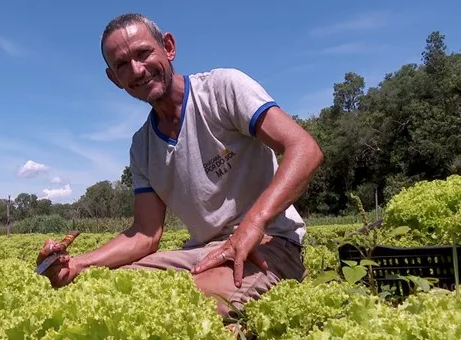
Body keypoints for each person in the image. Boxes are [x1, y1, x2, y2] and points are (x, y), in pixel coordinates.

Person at [37, 13, 323, 317]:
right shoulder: (142, 146)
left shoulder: (222, 89)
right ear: (114, 79)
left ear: (168, 48)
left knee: (192, 308)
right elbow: (145, 234)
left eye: (144, 53)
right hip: (201, 252)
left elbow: (304, 149)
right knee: (100, 290)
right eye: (122, 64)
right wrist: (79, 264)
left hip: (268, 243)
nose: (137, 69)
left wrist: (254, 222)